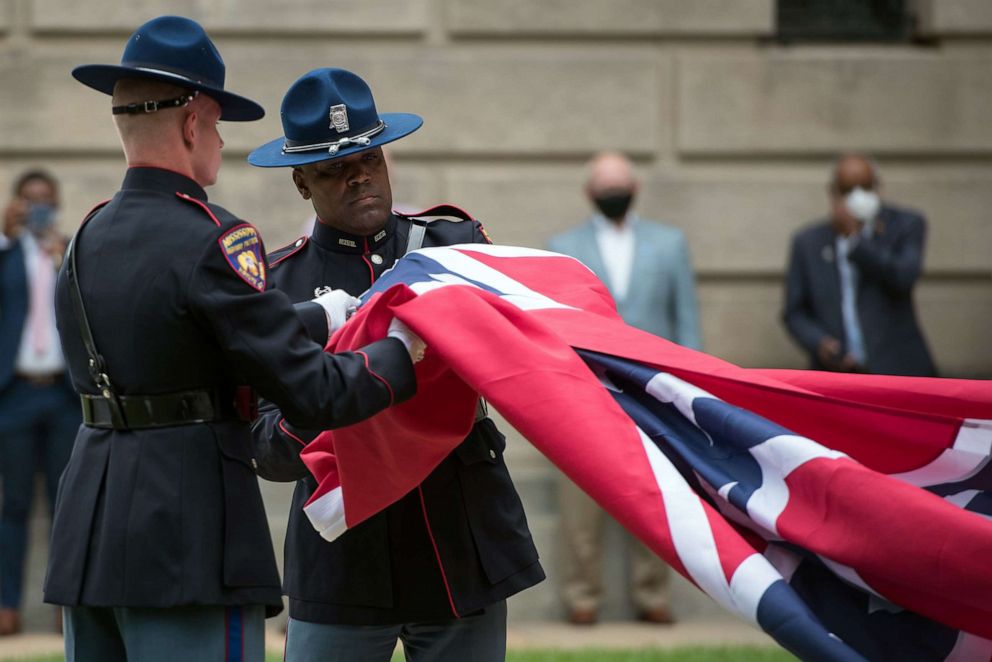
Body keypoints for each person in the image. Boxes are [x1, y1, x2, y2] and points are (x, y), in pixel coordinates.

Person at [44, 17, 422, 662]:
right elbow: (314, 391)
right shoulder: (215, 237)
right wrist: (404, 350)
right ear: (194, 122)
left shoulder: (89, 235)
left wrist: (312, 316)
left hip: (90, 531)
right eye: (218, 126)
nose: (218, 142)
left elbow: (170, 339)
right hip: (187, 532)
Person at [248, 67, 544, 662]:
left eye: (371, 160)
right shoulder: (279, 289)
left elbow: (521, 363)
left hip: (459, 538)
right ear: (301, 183)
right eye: (335, 169)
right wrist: (327, 388)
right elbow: (265, 448)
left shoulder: (453, 249)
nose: (359, 178)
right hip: (345, 561)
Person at [546, 150, 702, 626]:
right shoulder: (563, 246)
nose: (613, 191)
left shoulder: (669, 244)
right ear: (590, 191)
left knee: (657, 490)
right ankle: (582, 595)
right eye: (605, 183)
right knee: (580, 496)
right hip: (586, 390)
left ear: (634, 187)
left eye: (620, 182)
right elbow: (553, 322)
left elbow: (686, 320)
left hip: (654, 391)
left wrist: (690, 387)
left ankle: (651, 593)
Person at [0, 170, 78, 636]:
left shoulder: (67, 251)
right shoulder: (5, 254)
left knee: (65, 504)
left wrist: (61, 257)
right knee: (13, 505)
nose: (38, 209)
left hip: (64, 394)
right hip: (15, 394)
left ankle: (63, 608)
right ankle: (6, 605)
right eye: (30, 201)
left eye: (45, 200)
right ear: (16, 205)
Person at [783, 153, 936, 376]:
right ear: (833, 192)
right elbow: (794, 312)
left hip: (899, 372)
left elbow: (904, 278)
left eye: (864, 188)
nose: (856, 197)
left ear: (877, 188)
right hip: (838, 376)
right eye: (847, 190)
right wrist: (820, 343)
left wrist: (856, 240)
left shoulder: (905, 226)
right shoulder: (808, 242)